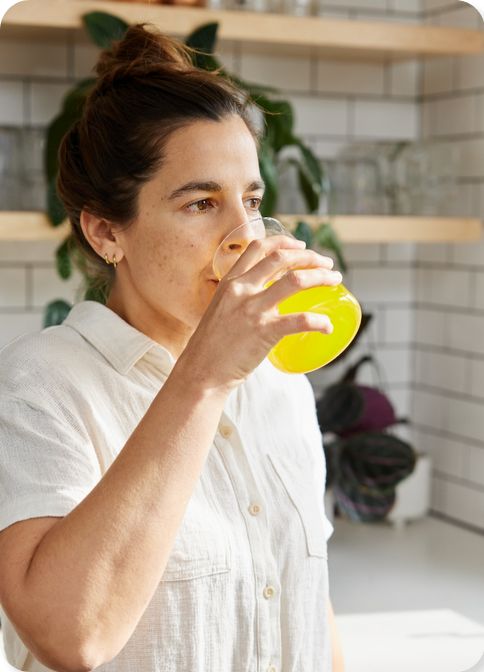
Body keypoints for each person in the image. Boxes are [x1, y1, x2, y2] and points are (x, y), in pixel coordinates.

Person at [0, 24, 345, 672]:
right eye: (201, 204)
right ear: (106, 232)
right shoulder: (42, 385)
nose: (244, 235)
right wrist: (203, 376)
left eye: (250, 200)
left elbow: (307, 602)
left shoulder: (279, 385)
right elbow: (69, 637)